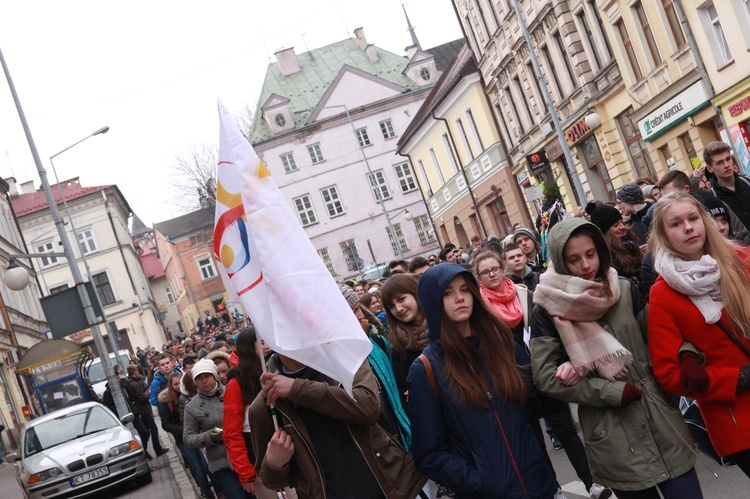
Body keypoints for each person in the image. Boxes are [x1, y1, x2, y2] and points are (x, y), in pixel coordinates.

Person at [530, 218, 701, 498]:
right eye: (574, 259)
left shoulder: (623, 289)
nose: (586, 266)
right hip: (612, 435)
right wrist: (609, 391)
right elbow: (546, 378)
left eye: (590, 254)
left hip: (660, 419)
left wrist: (687, 356)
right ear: (560, 262)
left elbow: (663, 337)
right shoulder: (548, 308)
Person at [407, 263, 557, 498]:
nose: (459, 298)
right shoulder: (426, 369)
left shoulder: (503, 345)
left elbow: (536, 405)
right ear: (432, 301)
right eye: (447, 293)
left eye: (465, 289)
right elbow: (429, 454)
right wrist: (480, 482)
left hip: (538, 485)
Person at [474, 251, 610, 499]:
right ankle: (553, 488)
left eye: (495, 269)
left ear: (503, 269)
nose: (492, 274)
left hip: (545, 369)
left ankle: (591, 482)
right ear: (479, 277)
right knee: (534, 438)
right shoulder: (480, 308)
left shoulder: (524, 293)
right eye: (485, 272)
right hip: (513, 378)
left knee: (565, 429)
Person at [648, 191, 750, 478]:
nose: (689, 228)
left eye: (693, 218)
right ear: (664, 235)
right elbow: (668, 373)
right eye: (676, 224)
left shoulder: (742, 260)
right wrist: (735, 379)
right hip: (735, 419)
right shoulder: (663, 294)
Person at [248, 355, 426, 499]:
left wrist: (298, 389)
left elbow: (369, 407)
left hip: (390, 487)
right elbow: (270, 481)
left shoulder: (344, 360)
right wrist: (275, 464)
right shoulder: (265, 406)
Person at [224, 327, 280, 499]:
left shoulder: (273, 369)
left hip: (283, 445)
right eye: (261, 343)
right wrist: (245, 471)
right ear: (249, 348)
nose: (266, 347)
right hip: (257, 454)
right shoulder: (235, 384)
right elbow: (231, 433)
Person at [184, 359, 252, 498]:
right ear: (195, 381)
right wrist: (209, 437)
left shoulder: (231, 391)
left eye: (207, 376)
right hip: (220, 461)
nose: (204, 381)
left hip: (244, 454)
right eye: (199, 378)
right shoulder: (192, 406)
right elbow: (188, 437)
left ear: (214, 375)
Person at [159, 372, 214, 499]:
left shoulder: (192, 395)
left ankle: (217, 489)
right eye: (175, 384)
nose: (178, 386)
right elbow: (166, 424)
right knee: (198, 468)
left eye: (180, 383)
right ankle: (207, 493)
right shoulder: (168, 402)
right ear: (171, 386)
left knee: (207, 466)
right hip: (183, 440)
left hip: (198, 435)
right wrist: (182, 430)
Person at [381, 274, 428, 408]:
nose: (399, 309)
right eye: (392, 306)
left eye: (401, 299)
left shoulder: (444, 325)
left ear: (415, 292)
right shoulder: (398, 347)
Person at [123, 365, 169, 460]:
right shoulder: (134, 384)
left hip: (141, 410)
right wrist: (148, 394)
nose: (138, 373)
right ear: (134, 372)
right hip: (143, 410)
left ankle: (147, 451)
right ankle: (156, 449)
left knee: (147, 431)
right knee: (152, 429)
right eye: (137, 371)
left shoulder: (130, 383)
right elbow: (141, 398)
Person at [705, 140, 750, 230]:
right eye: (720, 162)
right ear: (710, 168)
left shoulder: (748, 182)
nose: (726, 165)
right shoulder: (712, 198)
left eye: (728, 159)